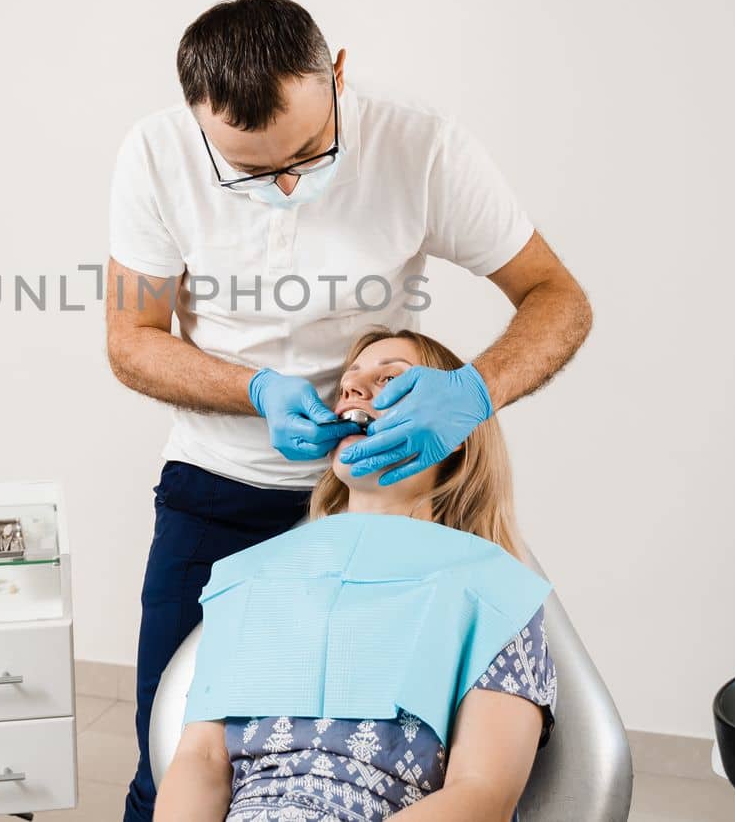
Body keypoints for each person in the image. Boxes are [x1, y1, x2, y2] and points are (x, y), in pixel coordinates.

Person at [108, 0, 590, 821]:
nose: (287, 181)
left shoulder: (425, 152)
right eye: (251, 170)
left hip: (397, 523)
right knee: (171, 764)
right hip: (219, 490)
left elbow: (558, 297)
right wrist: (252, 389)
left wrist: (472, 390)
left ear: (337, 74)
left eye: (308, 151)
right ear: (198, 123)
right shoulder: (155, 155)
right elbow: (132, 338)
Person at [154, 328, 556, 822]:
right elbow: (202, 759)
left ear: (455, 436)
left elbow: (481, 796)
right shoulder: (251, 577)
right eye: (349, 382)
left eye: (390, 379)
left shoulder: (494, 597)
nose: (354, 390)